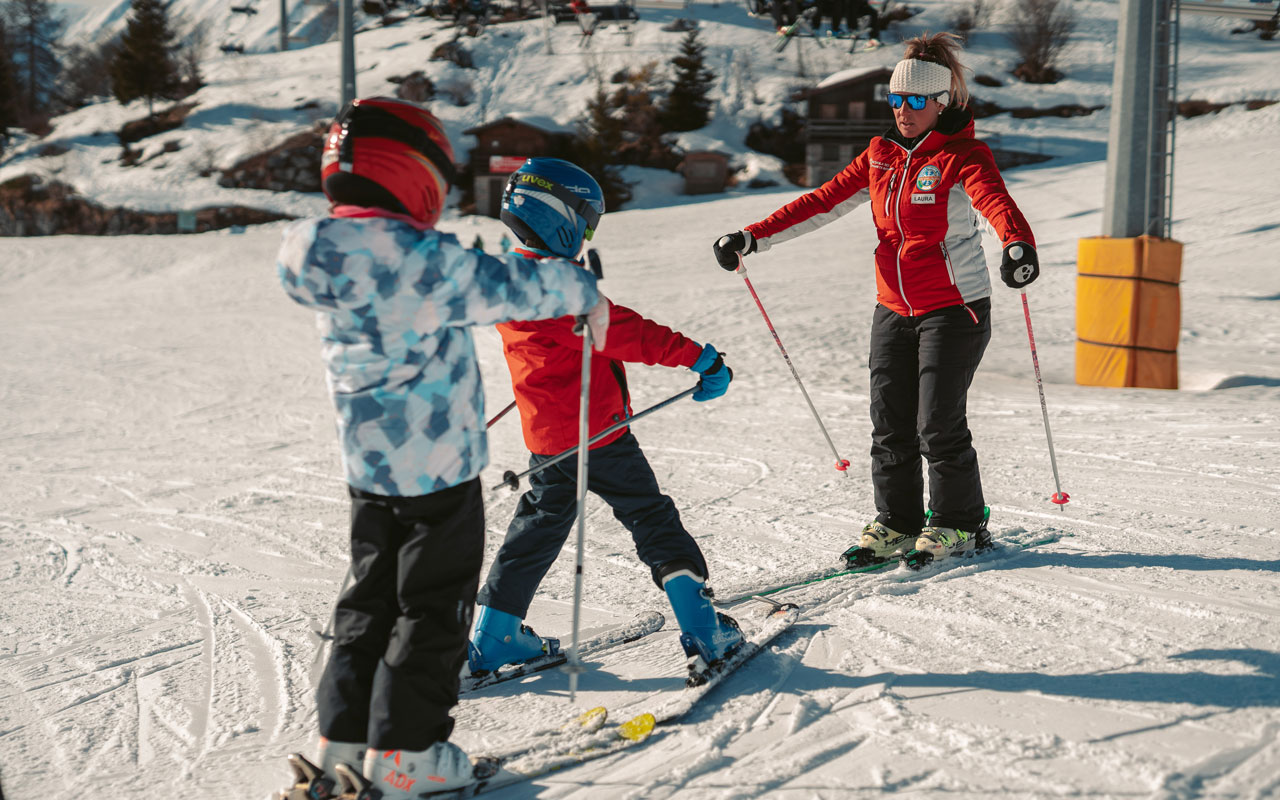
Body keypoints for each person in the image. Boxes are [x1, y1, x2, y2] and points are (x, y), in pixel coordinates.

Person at [274, 98, 608, 799]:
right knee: (432, 612)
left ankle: (346, 742)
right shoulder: (427, 261)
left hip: (368, 474)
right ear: (411, 174)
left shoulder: (315, 253)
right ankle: (408, 757)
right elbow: (518, 286)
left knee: (368, 603)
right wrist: (582, 287)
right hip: (440, 475)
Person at [711, 32, 1039, 565]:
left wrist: (1018, 244)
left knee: (937, 422)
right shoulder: (880, 155)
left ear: (941, 103)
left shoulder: (963, 155)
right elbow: (822, 202)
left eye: (914, 101)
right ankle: (899, 522)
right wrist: (752, 236)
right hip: (893, 306)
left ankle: (961, 523)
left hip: (955, 308)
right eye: (895, 99)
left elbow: (994, 202)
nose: (902, 111)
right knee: (889, 422)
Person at [469, 158, 745, 682]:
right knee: (651, 519)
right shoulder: (560, 287)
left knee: (534, 533)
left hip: (550, 443)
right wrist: (700, 358)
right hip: (601, 436)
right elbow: (627, 332)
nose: (587, 233)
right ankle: (704, 629)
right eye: (586, 221)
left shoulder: (505, 278)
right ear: (559, 217)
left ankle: (495, 635)